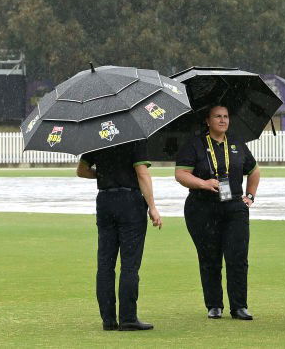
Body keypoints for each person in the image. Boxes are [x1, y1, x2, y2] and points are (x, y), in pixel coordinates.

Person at [174, 104, 261, 320]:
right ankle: (214, 305)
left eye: (226, 116)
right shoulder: (194, 144)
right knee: (209, 257)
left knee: (237, 257)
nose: (223, 120)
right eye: (217, 117)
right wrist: (203, 183)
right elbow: (181, 174)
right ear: (207, 120)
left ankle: (239, 306)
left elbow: (254, 170)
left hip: (234, 207)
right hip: (202, 207)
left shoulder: (237, 143)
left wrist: (249, 196)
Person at [77, 139, 163, 331]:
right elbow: (142, 173)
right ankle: (128, 317)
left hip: (105, 200)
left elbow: (81, 171)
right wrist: (152, 207)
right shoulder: (135, 138)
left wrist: (103, 174)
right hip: (129, 201)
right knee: (129, 264)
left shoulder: (96, 139)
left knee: (106, 264)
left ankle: (108, 319)